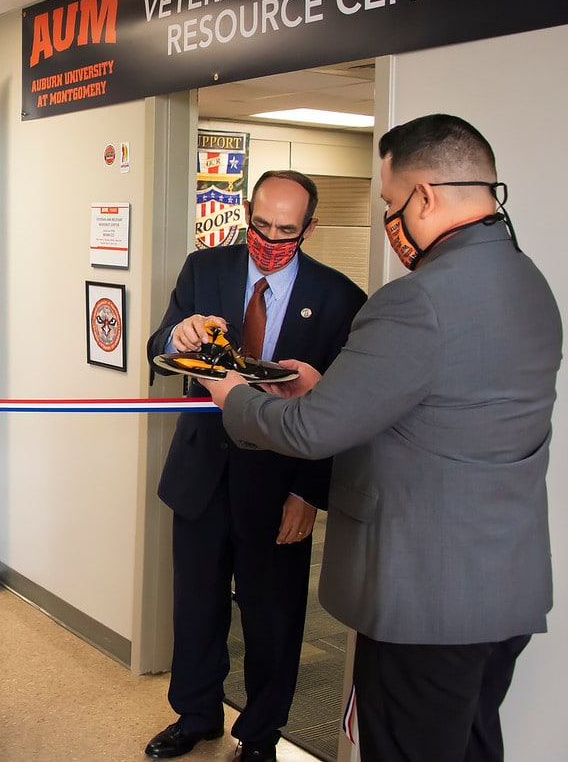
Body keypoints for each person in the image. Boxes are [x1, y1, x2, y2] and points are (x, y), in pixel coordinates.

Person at [201, 114, 561, 762]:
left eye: (390, 204)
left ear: (422, 196)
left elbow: (309, 433)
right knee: (472, 745)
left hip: (423, 597)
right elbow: (446, 407)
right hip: (501, 588)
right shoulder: (526, 281)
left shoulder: (416, 300)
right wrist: (330, 387)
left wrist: (233, 396)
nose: (391, 222)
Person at [145, 170, 366, 762]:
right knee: (196, 607)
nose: (270, 239)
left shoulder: (342, 297)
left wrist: (309, 494)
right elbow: (158, 350)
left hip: (279, 481)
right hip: (201, 473)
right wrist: (179, 333)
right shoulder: (205, 268)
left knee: (273, 619)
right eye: (261, 224)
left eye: (286, 231)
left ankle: (261, 735)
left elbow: (339, 410)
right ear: (247, 213)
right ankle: (196, 716)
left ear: (309, 228)